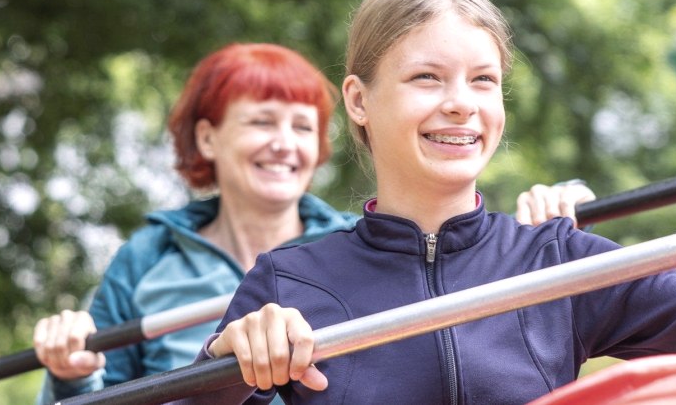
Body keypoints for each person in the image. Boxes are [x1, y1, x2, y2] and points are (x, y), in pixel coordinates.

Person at [181, 0, 676, 405]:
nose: (462, 103)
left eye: (483, 81)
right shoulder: (290, 282)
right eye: (427, 78)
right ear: (359, 100)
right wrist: (227, 361)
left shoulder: (556, 262)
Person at [34, 42, 595, 403]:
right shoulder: (146, 260)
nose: (284, 144)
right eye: (261, 122)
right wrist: (72, 373)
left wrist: (549, 226)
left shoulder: (366, 245)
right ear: (208, 137)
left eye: (303, 127)